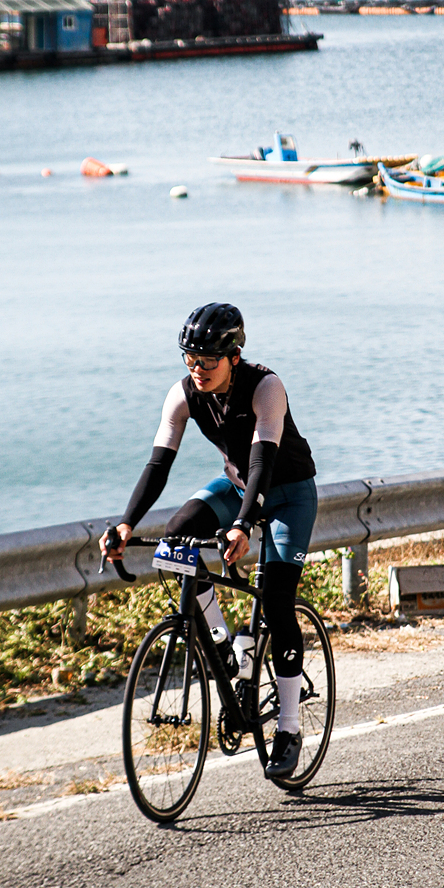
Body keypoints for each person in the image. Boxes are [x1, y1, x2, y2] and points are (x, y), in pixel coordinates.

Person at [100, 302, 317, 779]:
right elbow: (158, 464)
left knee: (277, 601)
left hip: (288, 496)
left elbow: (262, 461)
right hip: (237, 487)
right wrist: (127, 523)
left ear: (234, 357)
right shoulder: (183, 395)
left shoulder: (266, 387)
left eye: (208, 361)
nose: (197, 369)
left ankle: (288, 727)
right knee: (176, 540)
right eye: (190, 358)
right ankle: (222, 644)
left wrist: (242, 525)